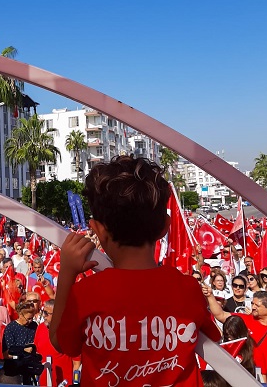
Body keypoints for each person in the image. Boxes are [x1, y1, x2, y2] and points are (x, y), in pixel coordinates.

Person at [50, 156, 221, 386]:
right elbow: (212, 336)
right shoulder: (188, 288)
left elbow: (62, 343)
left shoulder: (86, 293)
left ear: (98, 231)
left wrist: (67, 272)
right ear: (164, 227)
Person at [203, 287, 267, 385]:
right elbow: (220, 315)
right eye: (252, 304)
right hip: (250, 380)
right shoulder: (244, 320)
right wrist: (210, 296)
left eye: (257, 305)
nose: (253, 307)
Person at [34, 299, 80, 385]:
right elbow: (37, 354)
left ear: (57, 314)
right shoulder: (40, 328)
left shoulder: (68, 332)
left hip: (63, 382)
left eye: (47, 313)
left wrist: (73, 383)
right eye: (44, 312)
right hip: (44, 382)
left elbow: (76, 362)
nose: (44, 316)